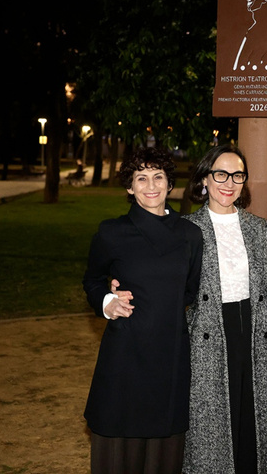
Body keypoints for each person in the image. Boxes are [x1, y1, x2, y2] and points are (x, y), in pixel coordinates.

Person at [82, 146, 203, 474]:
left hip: (170, 354)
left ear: (169, 183)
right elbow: (92, 280)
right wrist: (108, 302)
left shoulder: (190, 235)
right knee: (119, 449)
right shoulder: (111, 232)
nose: (151, 185)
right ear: (129, 187)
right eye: (141, 178)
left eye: (158, 176)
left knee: (163, 453)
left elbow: (190, 290)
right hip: (125, 354)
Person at [181, 144, 267, 474]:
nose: (228, 182)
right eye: (221, 174)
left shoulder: (259, 228)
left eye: (237, 175)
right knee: (212, 424)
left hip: (253, 333)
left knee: (253, 418)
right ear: (205, 178)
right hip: (207, 336)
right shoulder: (187, 230)